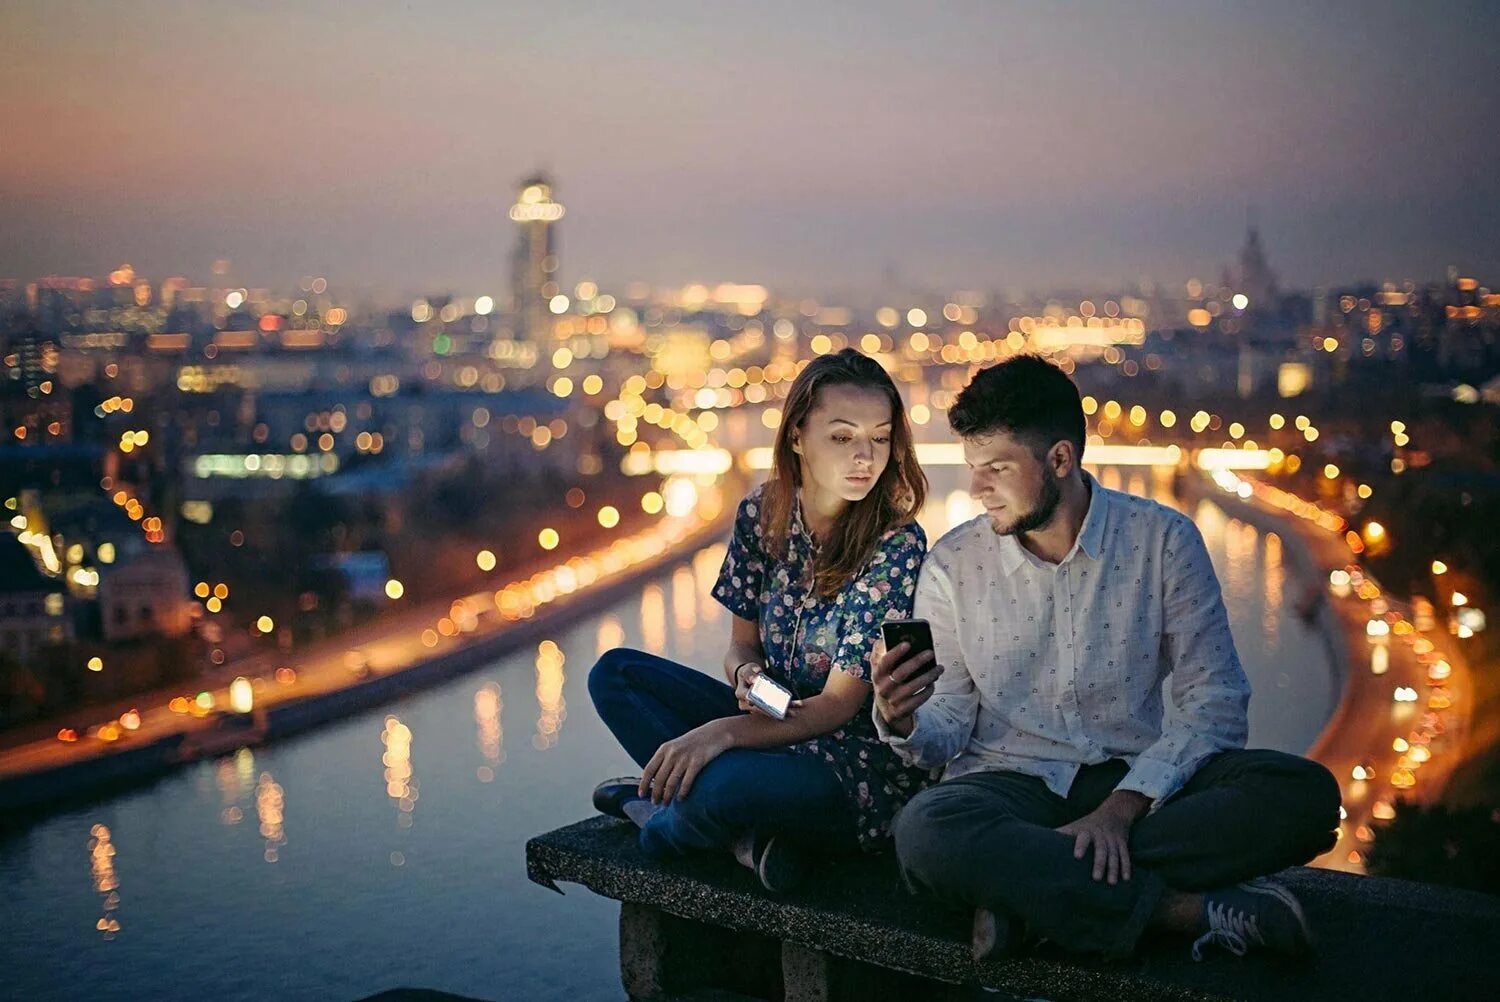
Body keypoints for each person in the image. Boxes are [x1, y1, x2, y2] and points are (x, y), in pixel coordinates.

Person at [872, 354, 1341, 961]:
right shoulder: (954, 566)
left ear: (1060, 459)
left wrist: (1121, 810)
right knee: (924, 832)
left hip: (1133, 781)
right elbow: (952, 723)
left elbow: (1216, 704)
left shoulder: (1164, 542)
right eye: (972, 468)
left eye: (996, 469)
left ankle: (1028, 889)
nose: (975, 489)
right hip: (1009, 785)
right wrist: (904, 718)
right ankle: (1183, 910)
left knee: (1304, 794)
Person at [588, 347, 937, 891]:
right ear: (797, 435)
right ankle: (744, 841)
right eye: (842, 437)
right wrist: (745, 677)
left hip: (849, 768)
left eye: (880, 437)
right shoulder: (761, 513)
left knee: (718, 783)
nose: (865, 457)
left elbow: (837, 707)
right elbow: (739, 647)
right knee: (614, 675)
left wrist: (719, 734)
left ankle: (654, 819)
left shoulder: (896, 544)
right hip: (772, 720)